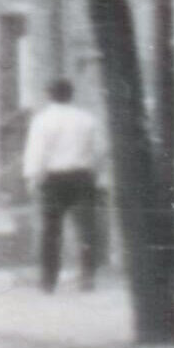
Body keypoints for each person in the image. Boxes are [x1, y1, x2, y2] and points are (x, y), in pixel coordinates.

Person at [21, 79, 106, 294]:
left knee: (51, 230)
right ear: (71, 95)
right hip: (82, 177)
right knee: (86, 229)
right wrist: (95, 172)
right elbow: (100, 149)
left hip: (53, 180)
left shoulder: (42, 120)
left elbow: (36, 152)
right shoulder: (87, 119)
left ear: (49, 95)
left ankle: (48, 281)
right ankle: (88, 277)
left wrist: (32, 178)